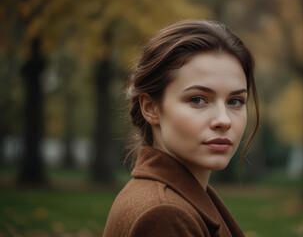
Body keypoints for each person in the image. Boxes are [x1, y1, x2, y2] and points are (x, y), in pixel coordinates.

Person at [103, 19, 259, 237]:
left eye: (235, 101)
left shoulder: (180, 197)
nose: (224, 120)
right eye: (198, 99)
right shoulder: (165, 214)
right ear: (151, 108)